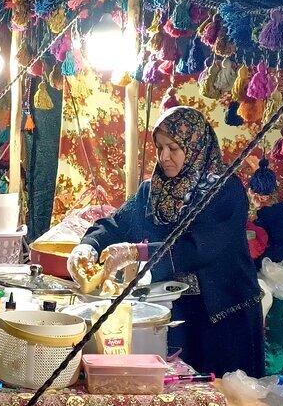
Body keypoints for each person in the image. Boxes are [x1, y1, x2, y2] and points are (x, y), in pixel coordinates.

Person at [73, 106, 264, 377]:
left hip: (224, 318)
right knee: (176, 388)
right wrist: (87, 247)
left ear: (195, 146)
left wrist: (135, 252)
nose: (164, 157)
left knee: (225, 391)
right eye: (160, 148)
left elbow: (199, 248)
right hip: (176, 310)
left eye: (173, 148)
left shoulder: (225, 191)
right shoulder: (154, 191)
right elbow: (116, 225)